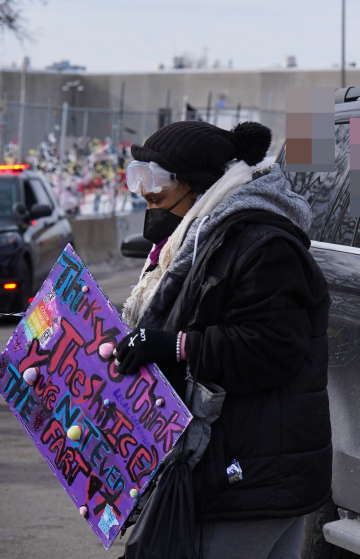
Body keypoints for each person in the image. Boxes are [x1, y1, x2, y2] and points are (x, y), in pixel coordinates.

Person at [115, 120, 331, 558]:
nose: (145, 195)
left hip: (250, 471)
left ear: (197, 184)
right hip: (238, 464)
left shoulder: (262, 243)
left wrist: (173, 345)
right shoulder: (201, 236)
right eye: (138, 178)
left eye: (155, 182)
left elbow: (271, 347)